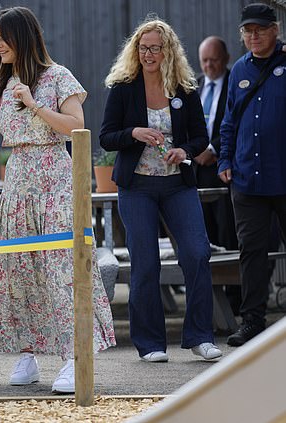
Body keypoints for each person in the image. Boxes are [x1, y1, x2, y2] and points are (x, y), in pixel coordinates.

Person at [0, 6, 116, 394]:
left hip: (57, 180)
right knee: (17, 270)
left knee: (63, 267)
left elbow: (77, 127)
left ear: (22, 38)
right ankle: (27, 353)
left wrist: (36, 104)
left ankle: (75, 357)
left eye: (3, 38)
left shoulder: (58, 77)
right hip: (19, 182)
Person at [99, 18, 222, 363]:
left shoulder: (185, 88)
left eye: (155, 47)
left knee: (197, 253)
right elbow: (106, 136)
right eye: (143, 47)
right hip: (136, 187)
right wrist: (134, 133)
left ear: (168, 50)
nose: (149, 54)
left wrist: (184, 151)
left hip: (177, 185)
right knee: (146, 263)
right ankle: (150, 343)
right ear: (135, 51)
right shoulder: (123, 87)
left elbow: (201, 137)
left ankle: (200, 337)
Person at [218, 3, 286, 347]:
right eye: (248, 31)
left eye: (260, 29)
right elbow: (229, 121)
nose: (254, 35)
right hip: (247, 178)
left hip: (283, 176)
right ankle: (252, 323)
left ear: (275, 29)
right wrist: (224, 159)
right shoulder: (239, 69)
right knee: (251, 253)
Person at [196, 36, 240, 314]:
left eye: (214, 60)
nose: (210, 65)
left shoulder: (235, 83)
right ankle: (210, 303)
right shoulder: (197, 86)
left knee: (229, 233)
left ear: (225, 59)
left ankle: (235, 301)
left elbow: (234, 121)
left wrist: (213, 149)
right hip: (197, 170)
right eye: (205, 61)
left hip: (223, 168)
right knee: (204, 234)